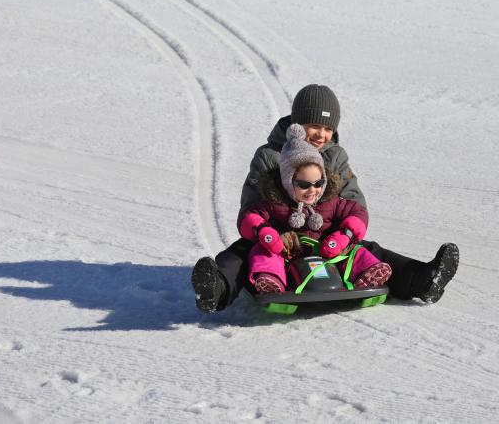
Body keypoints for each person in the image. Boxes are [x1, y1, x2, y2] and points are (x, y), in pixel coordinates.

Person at [192, 84, 459, 312]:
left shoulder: (335, 157)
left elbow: (355, 205)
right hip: (279, 240)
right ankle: (216, 288)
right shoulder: (269, 155)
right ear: (298, 124)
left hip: (328, 239)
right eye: (314, 126)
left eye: (328, 128)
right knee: (242, 253)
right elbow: (251, 207)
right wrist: (270, 234)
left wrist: (343, 235)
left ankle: (422, 280)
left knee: (370, 250)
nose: (321, 134)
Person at [240, 124, 391, 293]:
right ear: (288, 182)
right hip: (288, 256)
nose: (313, 190)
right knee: (262, 251)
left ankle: (367, 273)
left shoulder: (330, 201)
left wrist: (343, 236)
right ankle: (270, 279)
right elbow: (249, 216)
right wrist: (265, 232)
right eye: (304, 185)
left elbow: (358, 212)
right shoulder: (275, 202)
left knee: (354, 249)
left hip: (327, 253)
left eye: (319, 183)